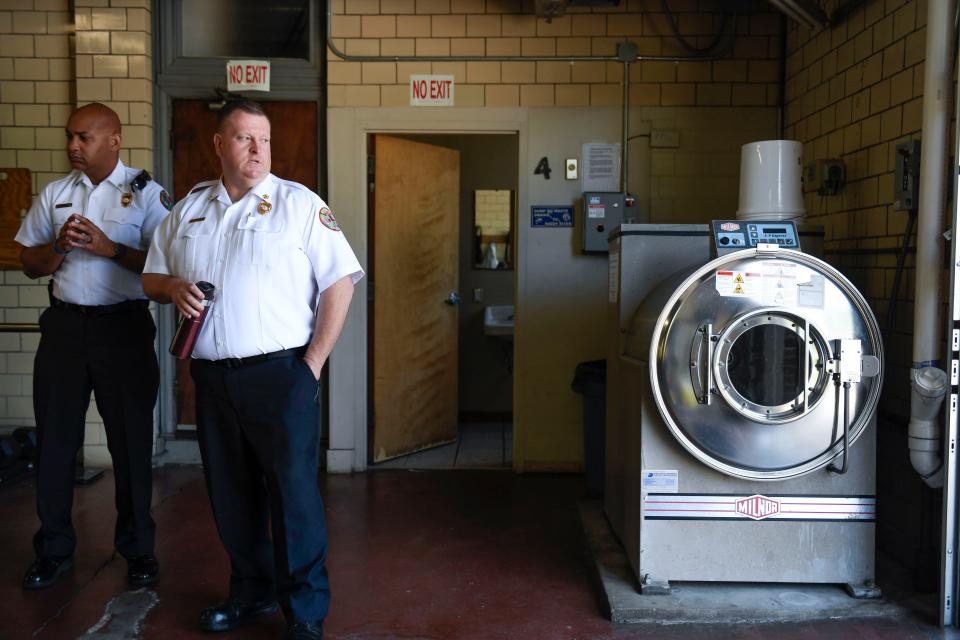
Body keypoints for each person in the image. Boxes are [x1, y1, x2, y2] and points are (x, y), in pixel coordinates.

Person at [142, 99, 362, 640]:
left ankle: (306, 612)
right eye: (244, 138)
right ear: (220, 145)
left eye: (264, 139)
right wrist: (171, 287)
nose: (257, 149)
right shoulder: (190, 209)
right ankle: (251, 591)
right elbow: (151, 276)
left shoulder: (299, 205)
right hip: (214, 378)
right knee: (231, 492)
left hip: (281, 375)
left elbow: (341, 283)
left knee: (293, 495)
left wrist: (310, 366)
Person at [16, 102, 170, 589]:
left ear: (114, 141)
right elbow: (28, 263)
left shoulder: (146, 194)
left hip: (122, 331)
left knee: (130, 446)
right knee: (57, 444)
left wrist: (111, 249)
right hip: (64, 331)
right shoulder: (56, 194)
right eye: (70, 136)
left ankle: (139, 552)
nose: (72, 146)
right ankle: (54, 550)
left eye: (83, 137)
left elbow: (165, 267)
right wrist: (59, 247)